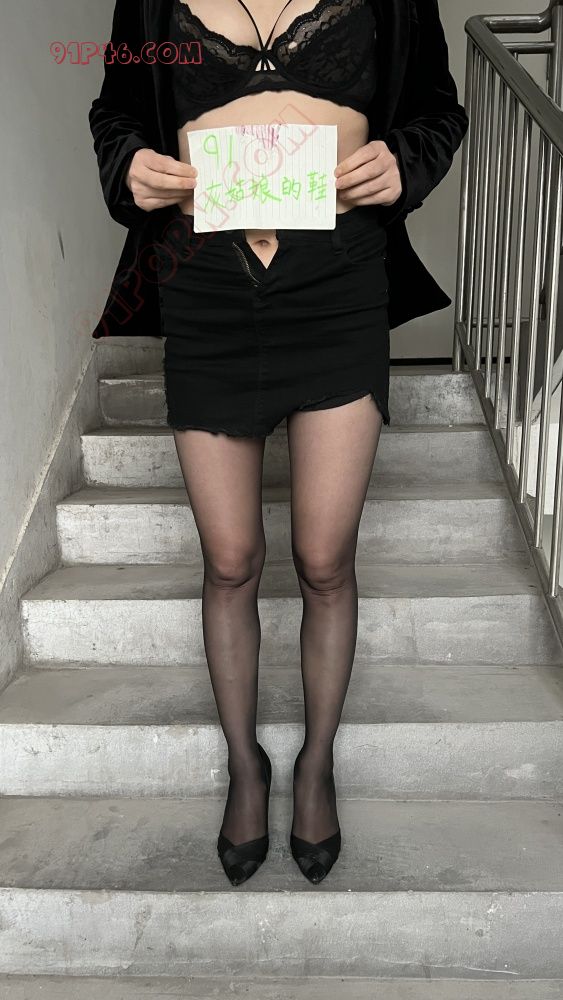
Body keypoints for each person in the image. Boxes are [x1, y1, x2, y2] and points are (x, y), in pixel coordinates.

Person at [89, 0, 469, 886]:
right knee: (229, 562)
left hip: (338, 277)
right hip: (202, 278)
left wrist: (403, 161)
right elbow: (116, 112)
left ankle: (317, 762)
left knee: (323, 561)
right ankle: (245, 765)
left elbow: (436, 109)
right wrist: (129, 166)